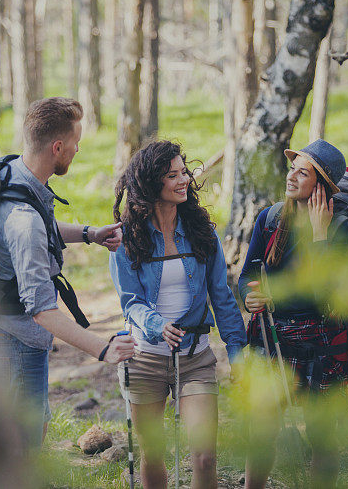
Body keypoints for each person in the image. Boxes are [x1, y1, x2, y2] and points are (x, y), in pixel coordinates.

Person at [0, 97, 135, 451]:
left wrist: (89, 234)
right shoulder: (23, 222)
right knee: (23, 444)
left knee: (34, 428)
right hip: (16, 340)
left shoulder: (15, 173)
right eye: (75, 142)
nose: (78, 148)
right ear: (57, 148)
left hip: (12, 333)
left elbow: (42, 224)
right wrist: (103, 349)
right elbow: (42, 309)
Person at [110, 140, 247, 489]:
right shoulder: (126, 239)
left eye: (183, 172)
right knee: (152, 455)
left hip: (195, 356)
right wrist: (158, 325)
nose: (183, 180)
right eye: (172, 175)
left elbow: (223, 298)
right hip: (145, 358)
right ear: (152, 184)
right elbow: (131, 303)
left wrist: (238, 355)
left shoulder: (203, 233)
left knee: (204, 454)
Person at [238, 139, 348, 489]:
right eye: (292, 168)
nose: (291, 176)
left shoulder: (340, 228)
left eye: (303, 172)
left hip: (323, 340)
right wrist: (250, 298)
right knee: (262, 426)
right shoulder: (270, 218)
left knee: (322, 434)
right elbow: (247, 276)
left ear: (321, 186)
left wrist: (322, 236)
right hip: (275, 336)